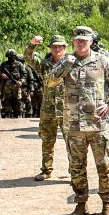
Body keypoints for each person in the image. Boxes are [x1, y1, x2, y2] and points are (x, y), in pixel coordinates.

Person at [50, 26, 109, 215]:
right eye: (78, 39)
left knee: (104, 165)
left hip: (98, 125)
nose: (81, 42)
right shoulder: (66, 61)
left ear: (91, 41)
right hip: (73, 126)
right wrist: (64, 66)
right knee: (76, 167)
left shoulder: (102, 61)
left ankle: (107, 203)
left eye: (85, 39)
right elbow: (50, 82)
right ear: (73, 41)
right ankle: (81, 204)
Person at [24, 34, 69, 181]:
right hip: (48, 109)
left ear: (65, 48)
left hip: (67, 109)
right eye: (54, 46)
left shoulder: (72, 63)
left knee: (72, 141)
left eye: (60, 46)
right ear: (50, 48)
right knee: (47, 140)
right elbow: (28, 58)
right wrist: (32, 44)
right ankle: (46, 169)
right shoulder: (44, 64)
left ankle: (75, 171)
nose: (57, 49)